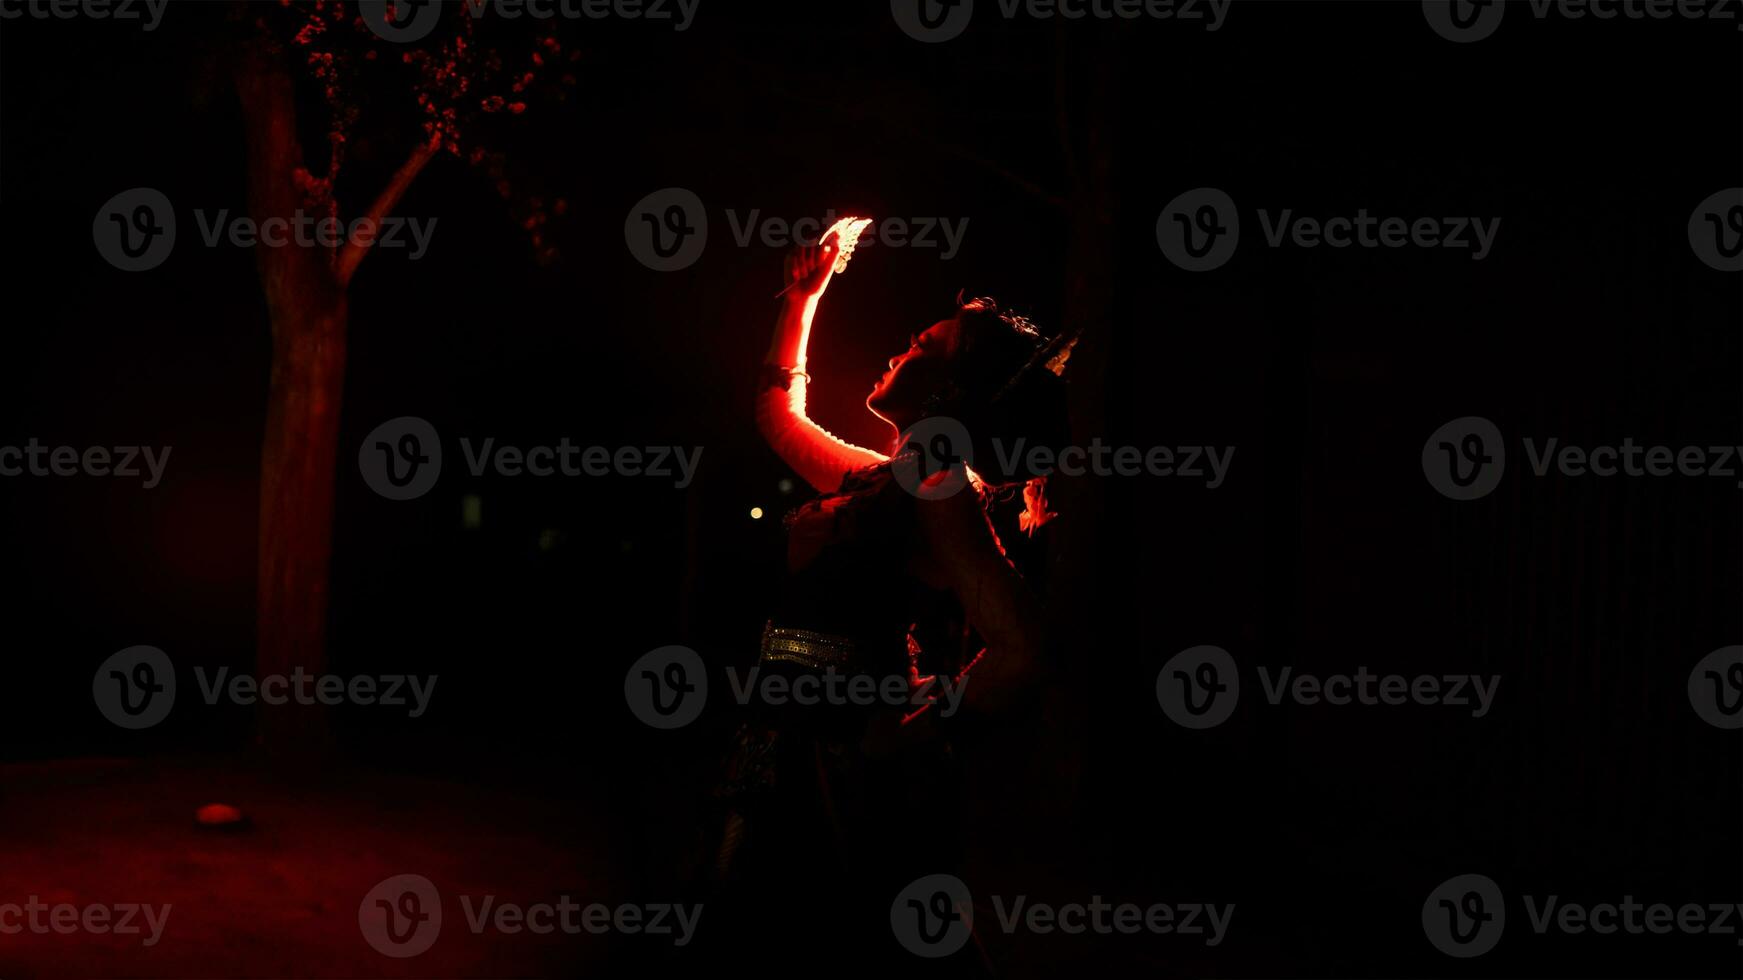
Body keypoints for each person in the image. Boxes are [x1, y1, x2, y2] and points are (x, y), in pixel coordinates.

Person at [702, 232, 1074, 972]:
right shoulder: (886, 478)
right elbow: (778, 418)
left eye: (918, 346)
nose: (896, 350)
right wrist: (805, 300)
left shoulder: (934, 483)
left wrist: (922, 720)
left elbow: (1022, 647)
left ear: (945, 390)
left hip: (850, 771)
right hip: (787, 742)